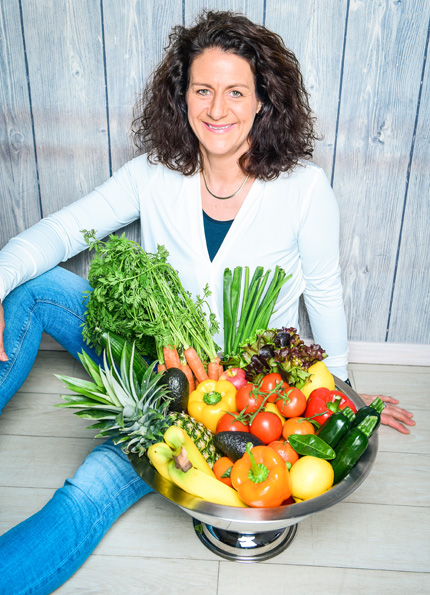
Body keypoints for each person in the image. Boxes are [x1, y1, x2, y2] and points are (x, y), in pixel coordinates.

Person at [0, 10, 414, 593]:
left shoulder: (302, 189)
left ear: (264, 101)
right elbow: (65, 233)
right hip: (154, 360)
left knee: (87, 490)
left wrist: (338, 391)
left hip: (221, 398)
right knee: (30, 286)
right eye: (203, 90)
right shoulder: (154, 173)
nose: (217, 109)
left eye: (236, 91)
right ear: (183, 96)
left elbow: (324, 291)